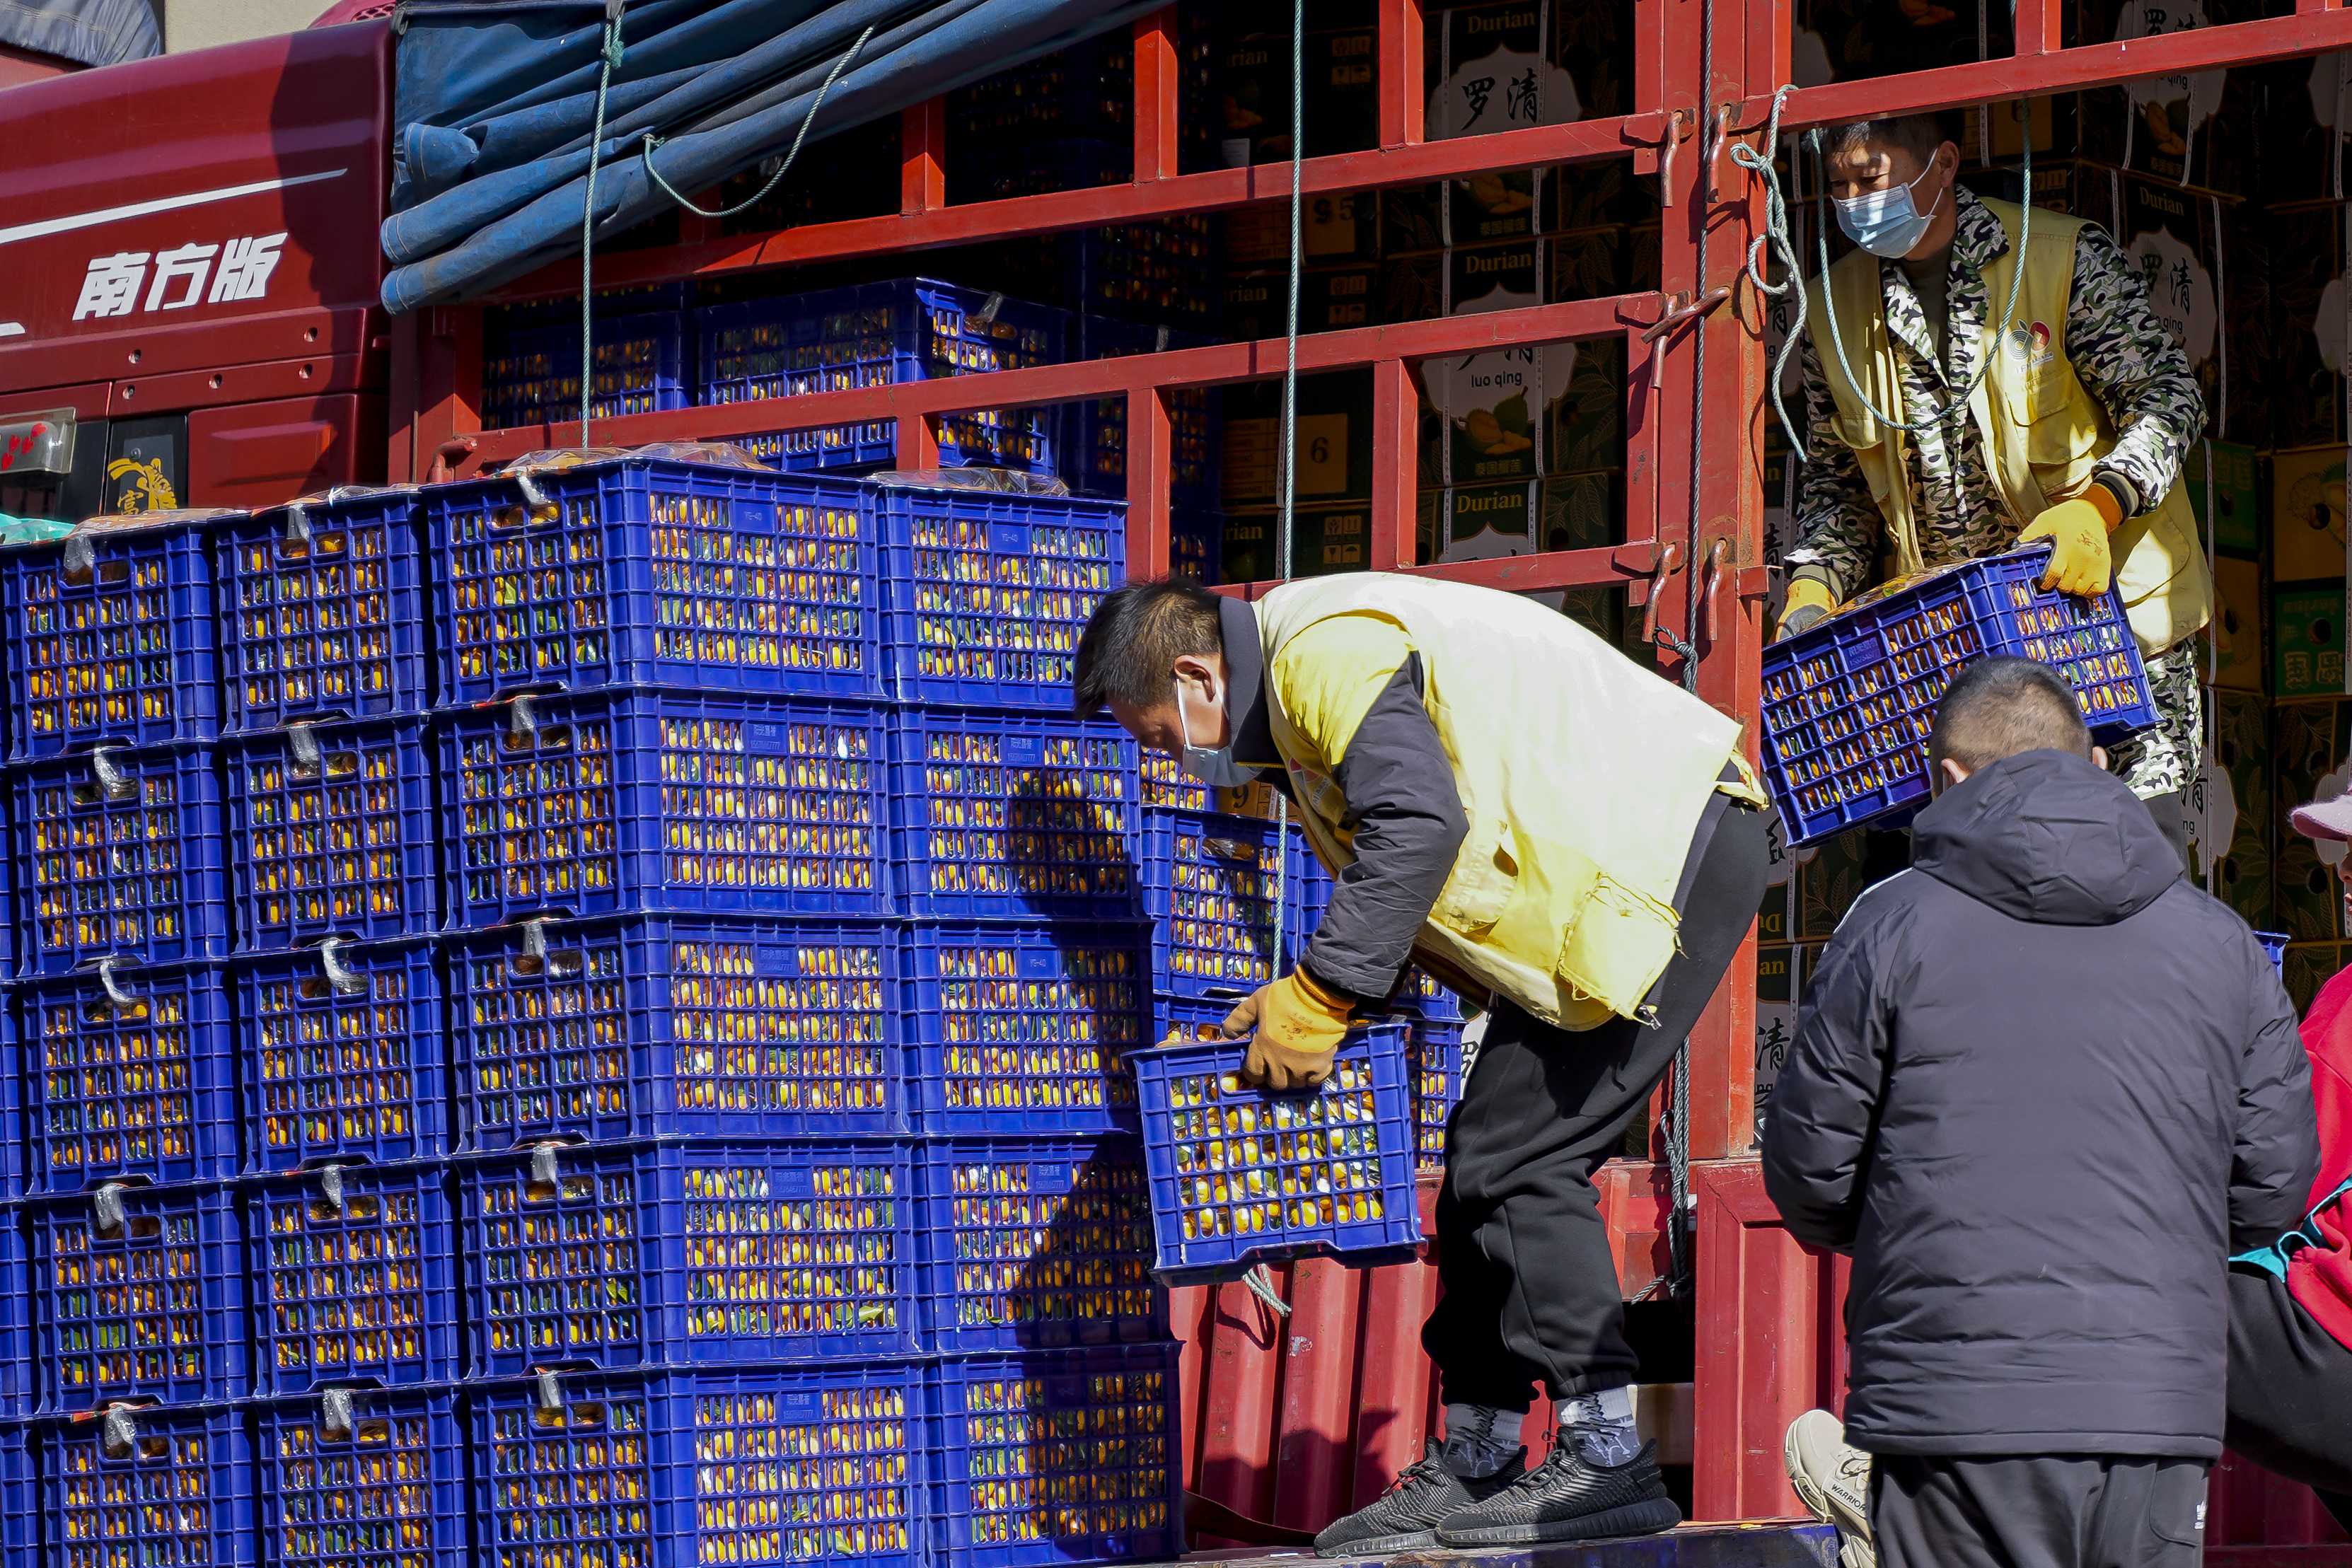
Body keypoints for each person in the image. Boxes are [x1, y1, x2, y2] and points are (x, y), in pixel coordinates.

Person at [1073, 574, 1771, 1550]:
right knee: (1477, 1170)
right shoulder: (1293, 706)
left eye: (1157, 735)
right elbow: (1417, 868)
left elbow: (1417, 825)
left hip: (1666, 861)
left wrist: (1319, 997)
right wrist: (1311, 1003)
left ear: (1195, 676)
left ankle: (1606, 1453)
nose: (1169, 759)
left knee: (1518, 1161)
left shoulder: (1316, 652)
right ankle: (1478, 1451)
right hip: (1615, 883)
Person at [1760, 655, 2316, 1568]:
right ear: (2098, 766)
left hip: (1953, 1401)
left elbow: (1812, 1173)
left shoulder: (1890, 924)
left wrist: (1918, 1233)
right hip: (2152, 1400)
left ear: (1948, 778)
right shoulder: (2218, 942)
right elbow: (2271, 1189)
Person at [1785, 112, 2213, 856]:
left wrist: (2099, 504)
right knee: (1968, 884)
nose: (1855, 202)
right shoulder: (1831, 308)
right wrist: (1814, 586)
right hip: (1958, 658)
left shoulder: (2057, 257)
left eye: (1871, 179)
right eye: (1838, 186)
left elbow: (2169, 399)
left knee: (2127, 860)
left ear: (1942, 164)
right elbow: (1838, 490)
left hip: (2100, 628)